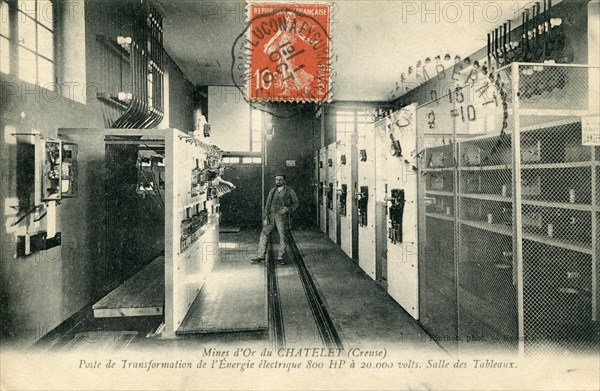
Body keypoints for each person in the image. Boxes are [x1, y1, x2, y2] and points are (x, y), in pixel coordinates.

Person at [251, 174, 299, 265]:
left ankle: (281, 257)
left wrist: (288, 209)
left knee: (282, 237)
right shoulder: (272, 191)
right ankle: (260, 256)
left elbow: (296, 203)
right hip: (271, 217)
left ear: (284, 181)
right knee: (264, 234)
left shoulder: (289, 191)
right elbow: (267, 204)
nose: (278, 181)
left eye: (280, 180)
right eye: (276, 179)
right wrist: (265, 217)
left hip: (282, 217)